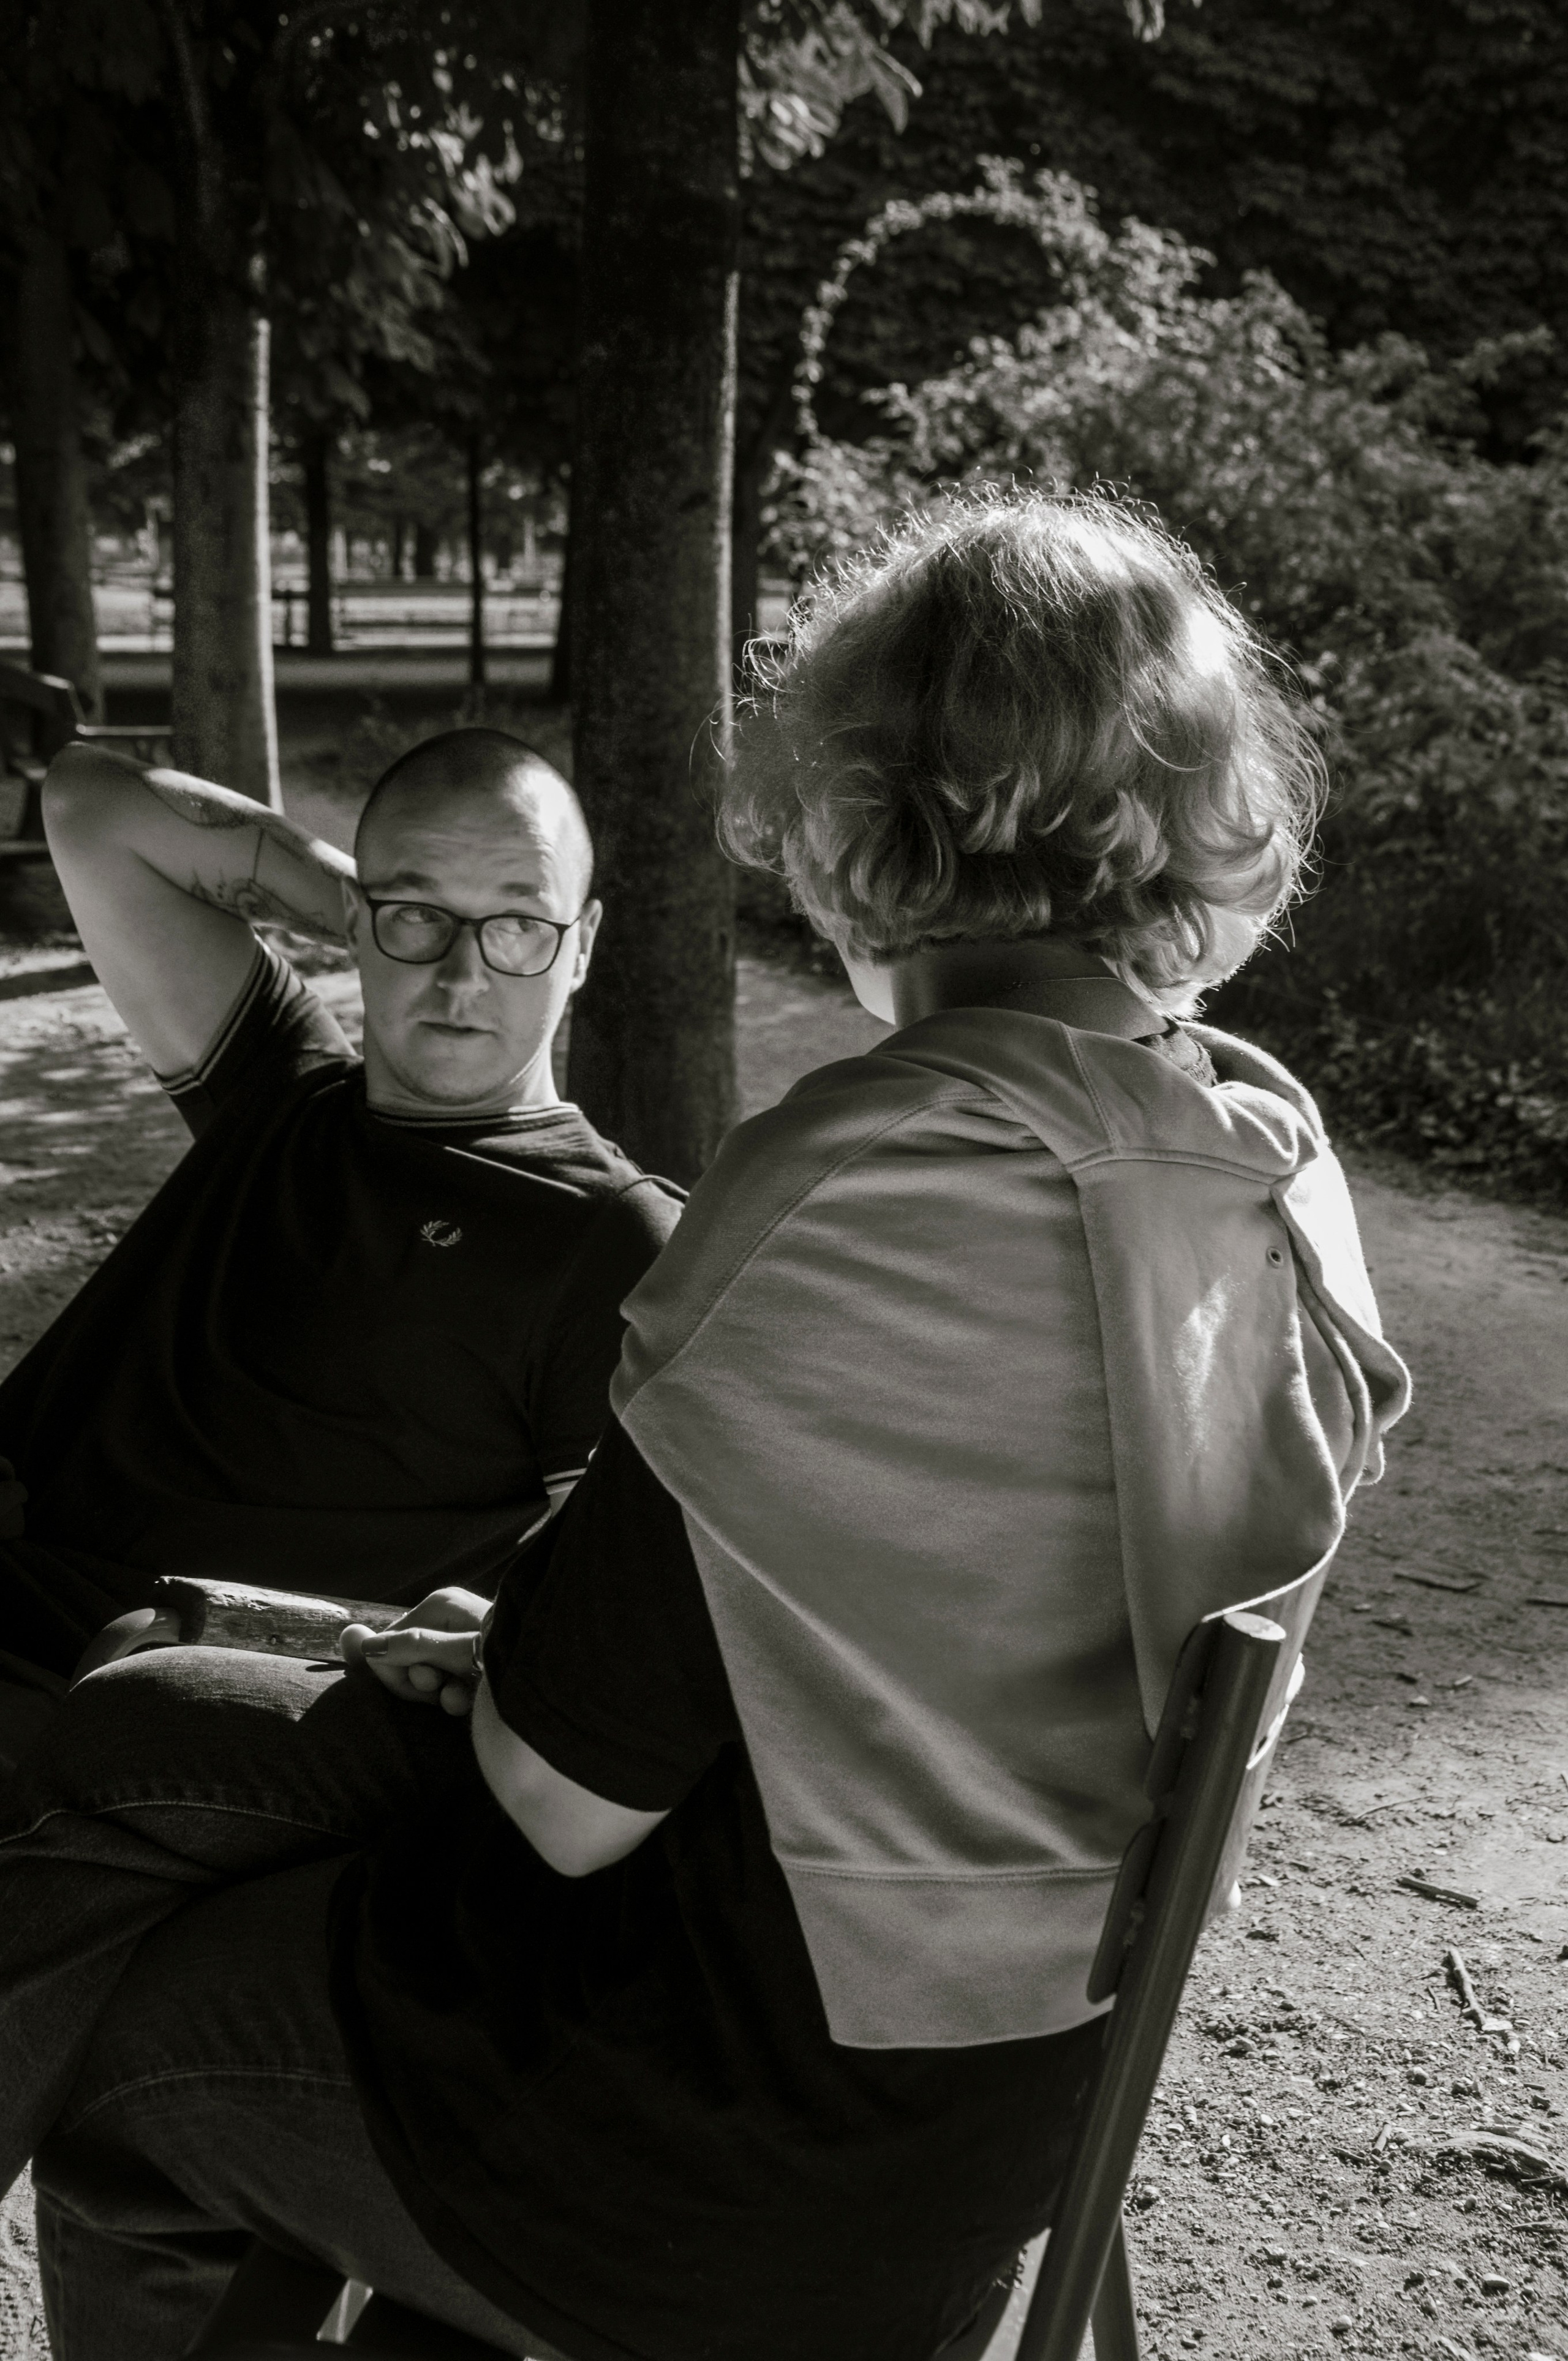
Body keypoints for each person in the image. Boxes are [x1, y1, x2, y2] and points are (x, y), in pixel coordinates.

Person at [0, 494, 1410, 2361]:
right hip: (991, 2120)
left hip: (712, 2140)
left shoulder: (874, 1171)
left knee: (144, 2015)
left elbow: (560, 1803)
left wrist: (528, 1657)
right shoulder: (1268, 1166)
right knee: (155, 1725)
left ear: (854, 811)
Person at [0, 726, 681, 1689]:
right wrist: (373, 909)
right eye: (421, 918)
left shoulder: (616, 1236)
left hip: (140, 1690)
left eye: (519, 925)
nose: (463, 977)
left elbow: (608, 1622)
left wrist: (407, 912)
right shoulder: (280, 1081)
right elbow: (87, 802)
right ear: (354, 918)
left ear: (584, 948)